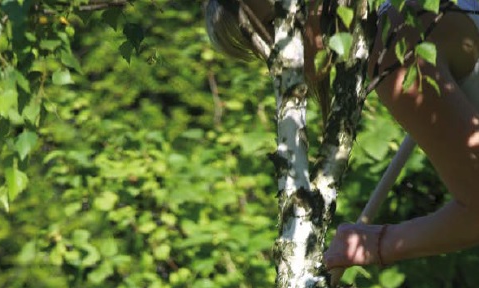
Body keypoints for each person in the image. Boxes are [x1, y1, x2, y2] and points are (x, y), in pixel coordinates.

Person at [204, 0, 479, 271]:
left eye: (275, 22)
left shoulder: (394, 46)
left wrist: (374, 244)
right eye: (262, 45)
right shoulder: (402, 20)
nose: (277, 53)